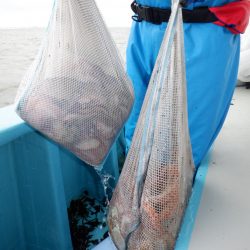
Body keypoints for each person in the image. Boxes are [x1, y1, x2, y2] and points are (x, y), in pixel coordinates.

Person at [125, 0, 250, 168]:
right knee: (132, 136)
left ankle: (168, 184)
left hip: (203, 28)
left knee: (180, 154)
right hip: (143, 25)